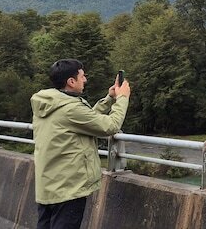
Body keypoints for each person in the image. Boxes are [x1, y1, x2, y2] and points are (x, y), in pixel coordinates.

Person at [31, 59, 131, 229]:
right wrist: (122, 98)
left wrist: (109, 99)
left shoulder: (51, 102)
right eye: (82, 76)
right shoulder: (69, 108)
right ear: (71, 81)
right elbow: (110, 126)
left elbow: (85, 119)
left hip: (49, 185)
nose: (85, 80)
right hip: (68, 188)